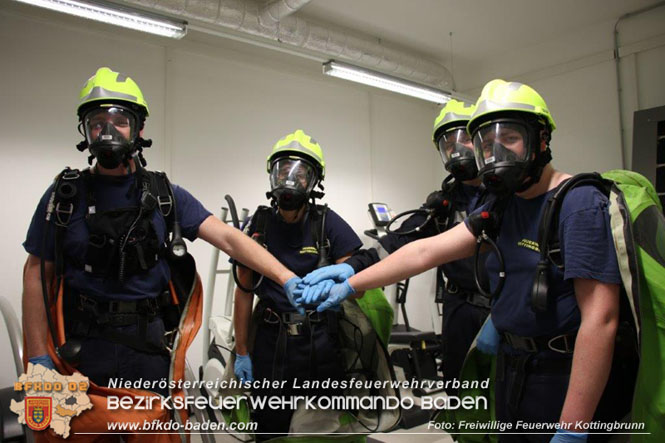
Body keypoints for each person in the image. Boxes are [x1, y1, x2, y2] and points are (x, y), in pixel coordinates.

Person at [301, 80, 635, 442]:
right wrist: (351, 281)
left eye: (509, 138)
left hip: (563, 376)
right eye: (487, 144)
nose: (497, 153)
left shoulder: (579, 204)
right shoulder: (504, 204)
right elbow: (426, 250)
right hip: (514, 371)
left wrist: (572, 430)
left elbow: (601, 321)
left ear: (541, 139)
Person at [22, 67, 302, 396]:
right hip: (82, 349)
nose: (108, 131)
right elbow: (37, 270)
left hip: (149, 348)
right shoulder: (64, 195)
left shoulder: (164, 194)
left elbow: (228, 238)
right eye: (97, 123)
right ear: (85, 131)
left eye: (120, 121)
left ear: (138, 129)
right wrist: (38, 356)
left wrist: (286, 276)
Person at [300, 99, 490, 392]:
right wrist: (352, 266)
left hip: (501, 306)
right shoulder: (447, 200)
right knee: (459, 390)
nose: (456, 149)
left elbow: (425, 253)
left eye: (464, 137)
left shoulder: (508, 195)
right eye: (448, 142)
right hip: (460, 308)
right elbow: (400, 240)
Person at [232, 129, 364, 440]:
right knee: (269, 428)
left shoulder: (326, 222)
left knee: (326, 428)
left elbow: (359, 282)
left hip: (320, 339)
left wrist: (337, 282)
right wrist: (241, 351)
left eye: (300, 173)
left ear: (314, 181)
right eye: (283, 170)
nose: (289, 180)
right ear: (272, 175)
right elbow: (243, 291)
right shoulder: (259, 225)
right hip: (270, 338)